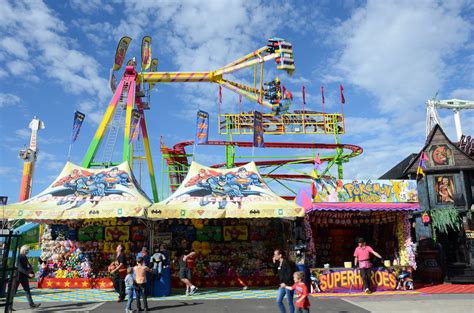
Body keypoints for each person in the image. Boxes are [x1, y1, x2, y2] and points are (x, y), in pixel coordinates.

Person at [272, 249, 295, 313]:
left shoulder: (286, 262)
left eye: (275, 254)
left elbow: (289, 274)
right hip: (282, 285)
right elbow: (274, 272)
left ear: (280, 255)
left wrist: (285, 283)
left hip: (288, 285)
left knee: (290, 302)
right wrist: (274, 263)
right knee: (278, 301)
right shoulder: (278, 263)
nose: (274, 256)